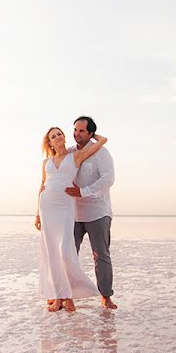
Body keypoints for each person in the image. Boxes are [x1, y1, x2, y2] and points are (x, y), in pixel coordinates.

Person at [35, 126, 108, 312]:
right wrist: (37, 213)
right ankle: (60, 297)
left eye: (59, 134)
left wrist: (94, 134)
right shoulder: (46, 163)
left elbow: (102, 142)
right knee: (52, 252)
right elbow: (42, 185)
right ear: (50, 143)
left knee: (65, 251)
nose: (57, 137)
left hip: (65, 206)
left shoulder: (75, 156)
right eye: (53, 136)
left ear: (64, 137)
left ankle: (70, 297)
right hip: (47, 207)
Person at [66, 116, 117, 310]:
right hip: (73, 214)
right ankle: (65, 294)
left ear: (90, 134)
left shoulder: (101, 153)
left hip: (98, 213)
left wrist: (83, 192)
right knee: (68, 255)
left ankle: (106, 295)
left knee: (101, 255)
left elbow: (108, 179)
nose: (76, 134)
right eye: (75, 130)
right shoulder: (70, 153)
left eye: (81, 131)